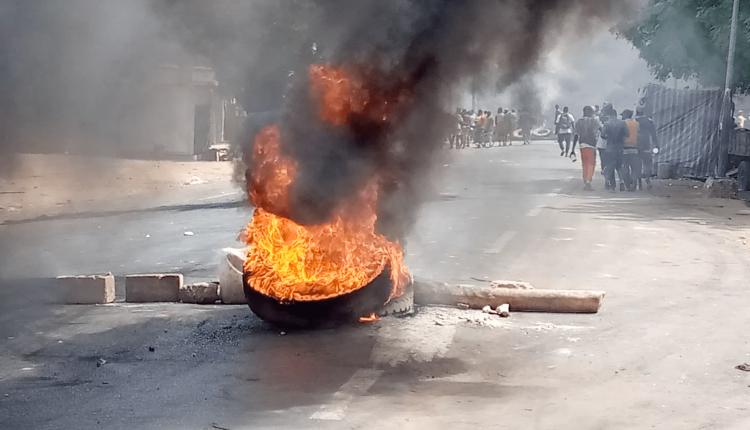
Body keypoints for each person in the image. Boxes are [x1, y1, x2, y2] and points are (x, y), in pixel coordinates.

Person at [600, 108, 630, 193]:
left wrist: (608, 138)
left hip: (610, 148)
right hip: (620, 148)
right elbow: (627, 134)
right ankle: (621, 181)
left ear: (609, 115)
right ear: (616, 115)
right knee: (619, 166)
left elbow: (602, 135)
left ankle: (613, 187)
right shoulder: (622, 123)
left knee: (611, 168)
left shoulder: (607, 124)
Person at [572, 106, 600, 190]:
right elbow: (599, 131)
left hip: (582, 145)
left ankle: (585, 179)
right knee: (591, 163)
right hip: (591, 145)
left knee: (584, 163)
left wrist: (572, 149)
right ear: (591, 112)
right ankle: (588, 181)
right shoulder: (594, 121)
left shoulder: (579, 122)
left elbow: (576, 135)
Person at [635, 108, 659, 190]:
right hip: (647, 146)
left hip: (636, 146)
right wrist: (656, 145)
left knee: (638, 165)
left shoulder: (635, 121)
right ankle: (648, 181)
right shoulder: (649, 121)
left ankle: (639, 183)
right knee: (648, 164)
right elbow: (653, 134)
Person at [621, 109, 640, 192]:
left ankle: (627, 185)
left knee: (625, 167)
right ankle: (634, 184)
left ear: (625, 115)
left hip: (624, 148)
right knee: (634, 168)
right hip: (635, 148)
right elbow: (639, 135)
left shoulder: (623, 123)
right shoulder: (636, 124)